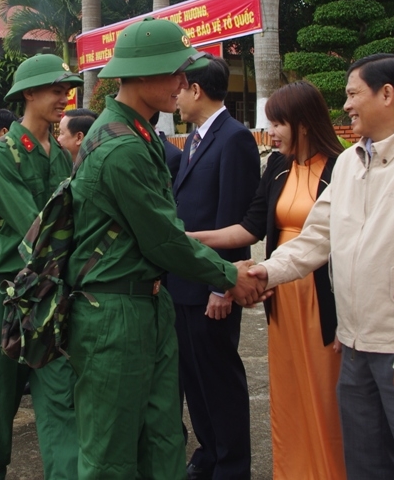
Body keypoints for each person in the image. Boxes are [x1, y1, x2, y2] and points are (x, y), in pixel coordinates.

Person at [250, 53, 394, 479]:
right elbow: (317, 236)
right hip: (354, 346)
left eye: (353, 94)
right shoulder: (351, 161)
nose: (346, 105)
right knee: (366, 465)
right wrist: (266, 272)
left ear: (387, 94)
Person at [66, 17, 266, 479]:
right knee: (112, 453)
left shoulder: (136, 133)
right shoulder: (123, 147)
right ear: (139, 75)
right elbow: (162, 238)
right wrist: (230, 275)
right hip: (114, 311)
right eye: (175, 72)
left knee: (162, 439)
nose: (183, 82)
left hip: (146, 302)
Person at [190, 81, 346, 479]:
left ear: (304, 123)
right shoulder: (278, 166)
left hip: (322, 295)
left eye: (277, 123)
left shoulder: (340, 167)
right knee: (289, 391)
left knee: (326, 392)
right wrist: (188, 240)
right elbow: (248, 227)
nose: (270, 132)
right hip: (280, 290)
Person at [0, 54, 83, 479]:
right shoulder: (3, 156)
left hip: (47, 298)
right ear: (29, 94)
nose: (65, 97)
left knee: (59, 400)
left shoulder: (58, 153)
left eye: (66, 89)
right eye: (56, 90)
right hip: (6, 295)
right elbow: (35, 230)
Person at [170, 56, 260, 480]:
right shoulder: (195, 138)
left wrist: (222, 287)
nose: (175, 98)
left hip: (212, 286)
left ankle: (231, 465)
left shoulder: (235, 138)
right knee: (194, 378)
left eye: (180, 88)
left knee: (220, 380)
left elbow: (233, 217)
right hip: (184, 285)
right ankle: (208, 453)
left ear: (196, 90)